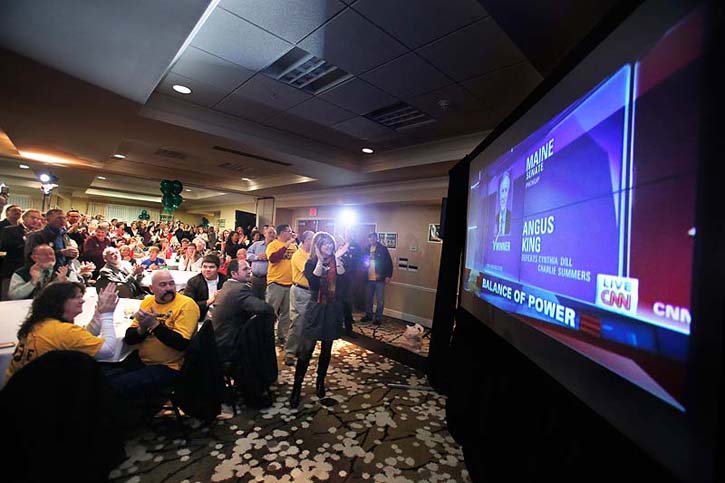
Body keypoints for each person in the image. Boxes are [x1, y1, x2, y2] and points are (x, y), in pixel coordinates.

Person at [107, 271, 200, 401]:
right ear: (151, 289)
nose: (168, 288)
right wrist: (143, 328)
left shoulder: (186, 305)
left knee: (117, 387)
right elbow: (129, 339)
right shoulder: (148, 302)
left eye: (171, 284)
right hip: (143, 360)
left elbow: (181, 343)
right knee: (103, 377)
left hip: (170, 366)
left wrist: (155, 325)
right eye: (163, 285)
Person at [5, 282, 120, 382]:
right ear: (59, 302)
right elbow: (108, 351)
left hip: (18, 391)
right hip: (42, 396)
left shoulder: (40, 323)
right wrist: (107, 314)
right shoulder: (63, 331)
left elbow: (80, 338)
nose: (83, 301)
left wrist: (99, 312)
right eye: (77, 297)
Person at [289, 232, 348, 408]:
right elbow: (313, 284)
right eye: (325, 244)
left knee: (327, 350)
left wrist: (336, 259)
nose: (329, 246)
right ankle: (296, 388)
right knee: (306, 351)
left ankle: (320, 382)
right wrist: (321, 261)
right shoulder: (311, 262)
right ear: (318, 246)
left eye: (330, 243)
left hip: (332, 310)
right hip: (315, 309)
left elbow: (344, 282)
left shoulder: (337, 262)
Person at [212, 259, 274, 364]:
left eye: (249, 268)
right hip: (229, 344)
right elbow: (264, 308)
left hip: (219, 339)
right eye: (245, 269)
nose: (249, 271)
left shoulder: (227, 285)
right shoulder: (239, 289)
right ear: (234, 273)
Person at [283, 230, 315, 366]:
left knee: (308, 323)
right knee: (298, 322)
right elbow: (310, 273)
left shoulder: (310, 254)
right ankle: (289, 352)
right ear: (306, 240)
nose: (314, 242)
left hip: (311, 292)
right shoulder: (299, 255)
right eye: (312, 239)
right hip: (300, 291)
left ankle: (301, 350)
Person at [8, 244, 83, 300]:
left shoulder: (64, 270)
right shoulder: (22, 273)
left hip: (58, 308)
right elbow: (13, 296)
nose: (50, 257)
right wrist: (33, 282)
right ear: (34, 257)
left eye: (51, 254)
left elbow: (80, 292)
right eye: (45, 254)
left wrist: (65, 282)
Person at [0, 209, 42, 300]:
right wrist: (26, 241)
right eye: (33, 218)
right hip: (12, 270)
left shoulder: (40, 234)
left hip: (31, 272)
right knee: (9, 300)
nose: (36, 221)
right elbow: (4, 246)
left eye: (38, 219)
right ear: (24, 218)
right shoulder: (10, 230)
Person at [265, 224, 296, 345]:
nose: (291, 233)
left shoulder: (294, 246)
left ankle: (282, 335)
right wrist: (286, 245)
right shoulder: (273, 245)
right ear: (282, 232)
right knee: (271, 312)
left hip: (290, 284)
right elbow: (273, 258)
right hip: (275, 283)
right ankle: (267, 334)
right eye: (289, 231)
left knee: (287, 313)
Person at [360, 232, 393, 325]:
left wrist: (388, 276)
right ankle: (368, 315)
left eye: (374, 238)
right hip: (368, 279)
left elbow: (389, 263)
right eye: (370, 238)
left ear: (376, 239)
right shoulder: (366, 249)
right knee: (368, 299)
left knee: (380, 300)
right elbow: (362, 261)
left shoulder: (383, 249)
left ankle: (378, 318)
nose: (372, 240)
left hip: (380, 279)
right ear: (369, 239)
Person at [184, 255, 227, 321]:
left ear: (218, 268)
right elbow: (188, 305)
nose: (208, 270)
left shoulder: (225, 281)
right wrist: (209, 301)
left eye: (211, 267)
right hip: (200, 317)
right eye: (205, 267)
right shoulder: (193, 282)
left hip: (222, 317)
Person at [338, 229, 361, 336]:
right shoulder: (335, 249)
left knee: (347, 303)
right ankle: (337, 327)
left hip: (348, 278)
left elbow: (357, 261)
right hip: (336, 281)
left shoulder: (354, 247)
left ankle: (348, 328)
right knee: (337, 304)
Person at [247, 226, 274, 300]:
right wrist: (257, 257)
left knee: (266, 299)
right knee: (253, 299)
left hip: (268, 279)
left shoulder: (276, 247)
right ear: (264, 234)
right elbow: (247, 255)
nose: (272, 235)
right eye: (270, 232)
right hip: (255, 278)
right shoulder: (256, 245)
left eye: (273, 233)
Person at [495, 171, 512, 237]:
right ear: (499, 193)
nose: (504, 196)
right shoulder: (496, 217)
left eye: (506, 190)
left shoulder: (511, 216)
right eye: (502, 191)